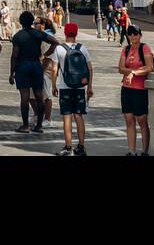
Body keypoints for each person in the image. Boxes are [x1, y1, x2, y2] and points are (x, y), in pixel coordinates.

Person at [9, 10, 59, 134]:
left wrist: (12, 73)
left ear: (20, 22)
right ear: (32, 21)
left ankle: (25, 125)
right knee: (39, 95)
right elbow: (55, 42)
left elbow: (14, 55)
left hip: (23, 66)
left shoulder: (18, 36)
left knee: (25, 96)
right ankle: (39, 125)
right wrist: (45, 55)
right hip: (36, 65)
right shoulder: (38, 34)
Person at [54, 22, 93, 156]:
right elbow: (90, 69)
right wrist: (89, 87)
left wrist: (54, 85)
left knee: (67, 116)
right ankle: (81, 147)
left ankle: (68, 147)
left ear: (65, 33)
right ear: (76, 33)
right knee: (79, 116)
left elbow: (54, 69)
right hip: (80, 87)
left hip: (65, 87)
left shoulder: (59, 49)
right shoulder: (83, 49)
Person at [117, 26, 154, 156]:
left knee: (142, 120)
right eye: (131, 34)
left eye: (136, 34)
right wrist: (131, 71)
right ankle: (131, 151)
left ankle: (144, 151)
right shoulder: (126, 49)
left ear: (140, 35)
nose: (133, 36)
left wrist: (134, 72)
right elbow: (120, 68)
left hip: (140, 89)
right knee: (129, 119)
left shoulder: (145, 48)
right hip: (127, 89)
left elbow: (150, 67)